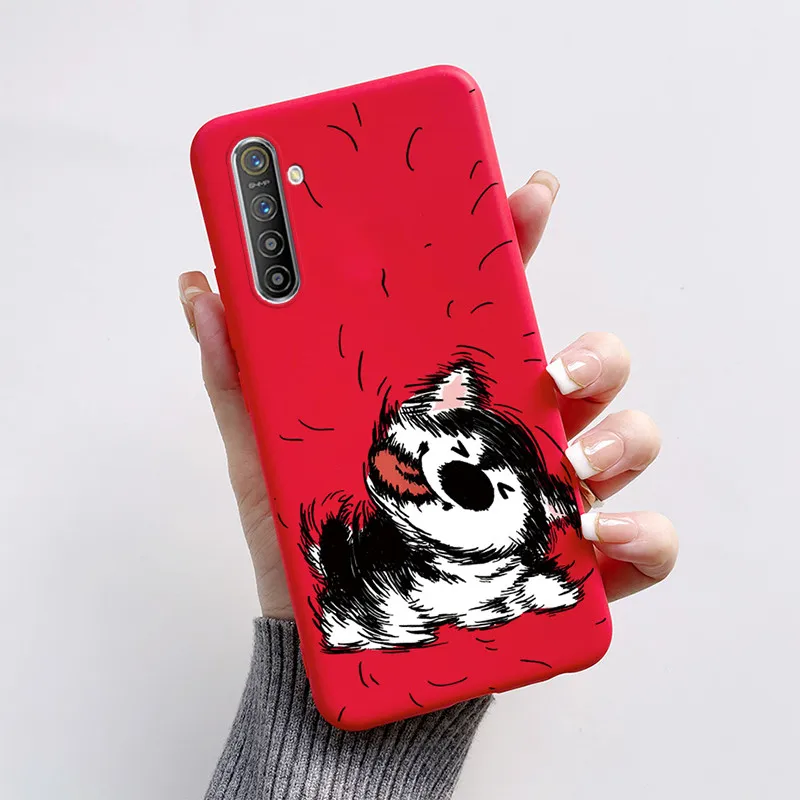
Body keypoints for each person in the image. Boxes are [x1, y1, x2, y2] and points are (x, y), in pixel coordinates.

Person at [178, 170, 678, 800]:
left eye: (468, 481)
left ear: (533, 515)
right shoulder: (356, 578)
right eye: (420, 435)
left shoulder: (526, 586)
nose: (427, 460)